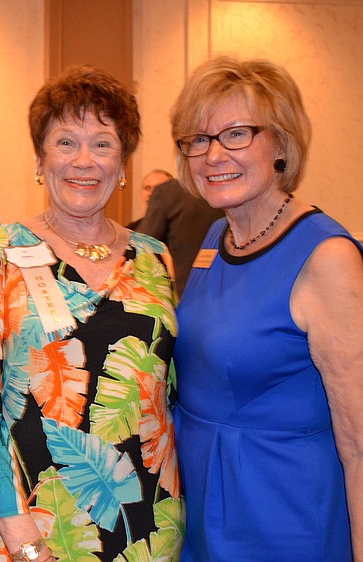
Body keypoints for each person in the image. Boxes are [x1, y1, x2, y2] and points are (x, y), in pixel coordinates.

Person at [0, 66, 183, 562]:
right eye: (65, 142)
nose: (83, 161)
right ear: (40, 158)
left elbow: (169, 396)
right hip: (28, 524)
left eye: (103, 144)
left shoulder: (156, 258)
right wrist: (22, 538)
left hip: (147, 522)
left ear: (123, 165)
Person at [170, 56, 363, 561]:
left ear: (281, 143)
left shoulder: (327, 258)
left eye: (236, 134)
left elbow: (360, 442)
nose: (213, 155)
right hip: (205, 504)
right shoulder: (219, 235)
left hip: (281, 515)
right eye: (198, 139)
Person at [135, 178, 223, 296]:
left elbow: (144, 247)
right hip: (226, 286)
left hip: (181, 291)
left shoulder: (168, 193)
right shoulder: (230, 188)